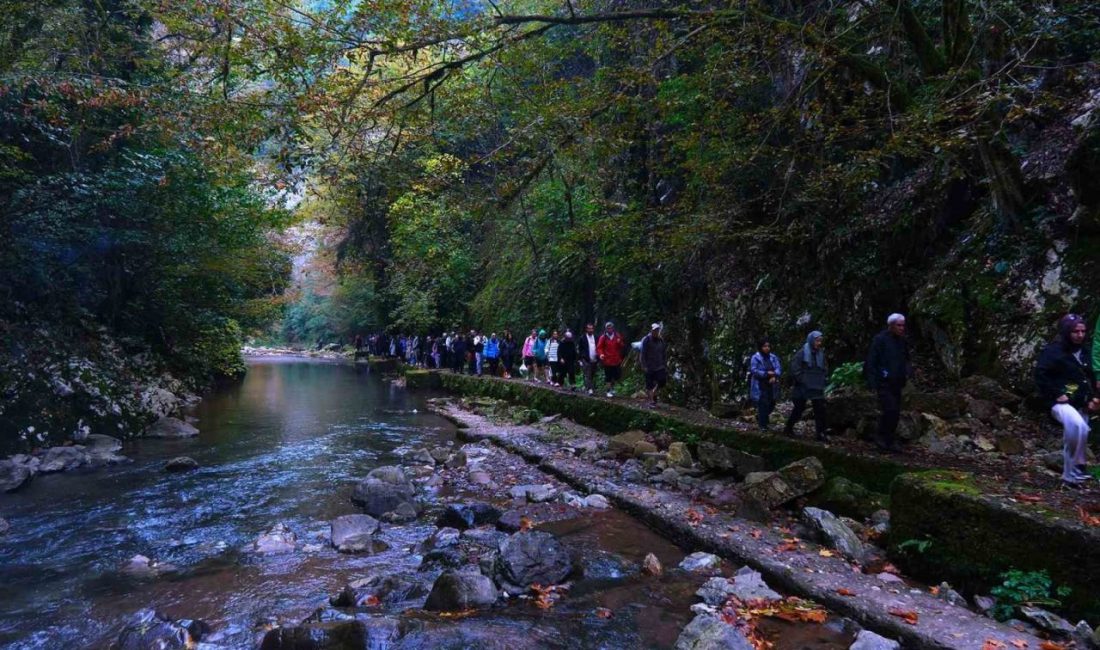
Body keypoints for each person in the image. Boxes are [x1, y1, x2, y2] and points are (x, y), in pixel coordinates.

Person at [1035, 314, 1100, 487]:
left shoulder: (1085, 353)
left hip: (1081, 402)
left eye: (1083, 331)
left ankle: (1071, 476)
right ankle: (1077, 467)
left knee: (1082, 431)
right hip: (1060, 403)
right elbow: (1041, 375)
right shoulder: (1053, 351)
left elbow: (1092, 377)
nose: (1080, 335)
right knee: (1077, 425)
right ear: (1066, 332)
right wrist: (1056, 393)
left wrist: (1095, 398)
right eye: (1075, 332)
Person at [866, 313, 912, 452]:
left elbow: (906, 359)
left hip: (897, 382)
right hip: (884, 382)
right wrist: (874, 381)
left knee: (895, 412)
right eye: (899, 325)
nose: (901, 328)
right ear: (891, 325)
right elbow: (872, 361)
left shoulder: (902, 341)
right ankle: (881, 438)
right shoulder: (880, 340)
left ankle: (889, 440)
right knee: (889, 410)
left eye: (903, 325)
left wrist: (907, 373)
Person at [784, 331, 829, 441]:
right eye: (817, 341)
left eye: (820, 341)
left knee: (820, 409)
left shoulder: (820, 354)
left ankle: (820, 433)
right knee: (799, 408)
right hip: (803, 386)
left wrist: (823, 378)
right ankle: (788, 427)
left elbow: (825, 367)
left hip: (817, 385)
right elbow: (795, 369)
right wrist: (803, 380)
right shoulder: (802, 353)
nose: (819, 343)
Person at [750, 338, 781, 431]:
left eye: (768, 346)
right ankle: (762, 425)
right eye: (764, 346)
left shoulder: (773, 357)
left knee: (772, 403)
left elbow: (778, 368)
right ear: (760, 347)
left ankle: (762, 419)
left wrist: (774, 375)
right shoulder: (756, 357)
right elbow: (754, 370)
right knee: (763, 404)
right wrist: (767, 374)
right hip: (760, 384)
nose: (767, 348)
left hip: (772, 384)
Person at [638, 323, 668, 407]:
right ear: (651, 330)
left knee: (662, 381)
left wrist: (664, 363)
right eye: (655, 330)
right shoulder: (646, 340)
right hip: (649, 366)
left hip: (659, 365)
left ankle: (654, 392)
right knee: (649, 384)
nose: (656, 332)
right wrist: (643, 365)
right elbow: (642, 354)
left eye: (658, 330)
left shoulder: (660, 340)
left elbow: (664, 353)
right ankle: (651, 401)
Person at [596, 321, 628, 397]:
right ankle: (608, 391)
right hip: (607, 360)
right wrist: (601, 354)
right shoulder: (603, 337)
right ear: (606, 329)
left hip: (616, 360)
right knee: (608, 376)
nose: (609, 329)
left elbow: (622, 346)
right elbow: (599, 347)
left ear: (613, 328)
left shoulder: (617, 336)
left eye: (610, 328)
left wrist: (620, 342)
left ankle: (612, 388)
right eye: (608, 328)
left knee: (616, 375)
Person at [578, 323, 599, 395]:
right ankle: (590, 389)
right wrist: (580, 359)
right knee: (588, 374)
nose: (590, 330)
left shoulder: (596, 337)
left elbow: (598, 347)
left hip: (594, 359)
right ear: (586, 329)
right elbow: (580, 349)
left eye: (591, 328)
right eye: (589, 328)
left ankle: (588, 386)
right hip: (586, 359)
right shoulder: (582, 338)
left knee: (592, 374)